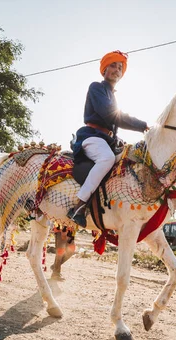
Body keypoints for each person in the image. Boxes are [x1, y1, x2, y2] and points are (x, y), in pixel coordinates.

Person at [68, 51, 149, 228]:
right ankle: (79, 205)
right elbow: (110, 115)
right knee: (107, 158)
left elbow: (113, 122)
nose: (117, 70)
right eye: (113, 65)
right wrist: (142, 125)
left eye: (120, 68)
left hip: (106, 140)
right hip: (91, 137)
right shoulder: (96, 87)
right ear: (104, 69)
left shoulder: (113, 95)